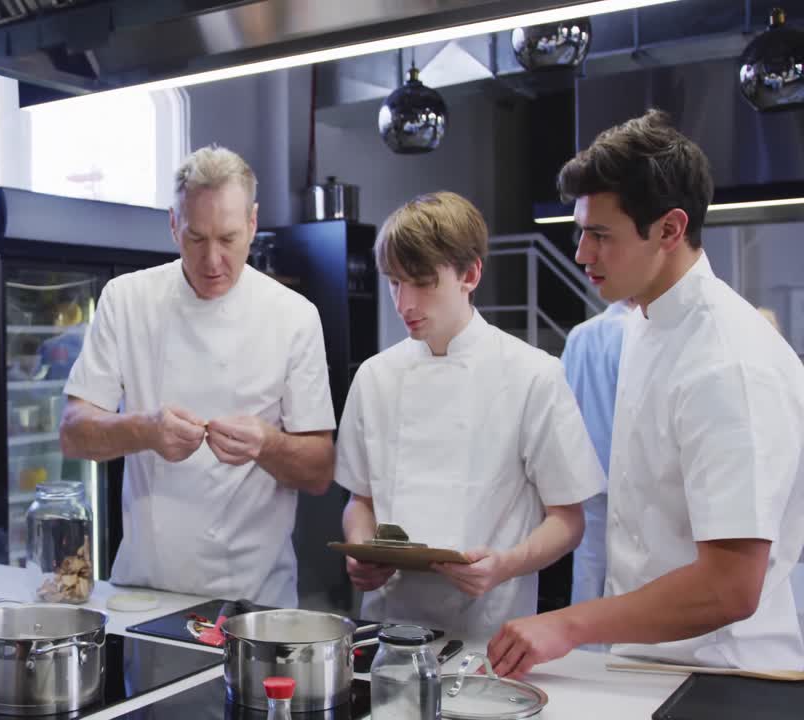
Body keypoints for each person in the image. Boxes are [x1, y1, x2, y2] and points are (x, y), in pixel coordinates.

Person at [488, 110, 804, 676]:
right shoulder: (645, 321)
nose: (582, 254)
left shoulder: (728, 362)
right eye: (580, 231)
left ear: (670, 229)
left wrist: (569, 622)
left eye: (601, 236)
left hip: (724, 675)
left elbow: (730, 587)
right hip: (650, 663)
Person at [59, 145, 335, 607]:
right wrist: (145, 429)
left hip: (255, 601)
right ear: (173, 224)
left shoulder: (295, 317)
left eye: (227, 239)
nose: (212, 262)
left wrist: (267, 444)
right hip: (145, 593)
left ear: (252, 223)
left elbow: (320, 469)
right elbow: (73, 435)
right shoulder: (126, 300)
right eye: (196, 238)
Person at [335, 191, 603, 641]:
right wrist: (362, 551)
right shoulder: (374, 377)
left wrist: (503, 567)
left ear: (470, 274)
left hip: (489, 629)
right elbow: (360, 501)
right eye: (395, 283)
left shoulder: (533, 374)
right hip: (388, 627)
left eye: (423, 283)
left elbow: (568, 520)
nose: (405, 304)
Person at [561, 299, 637, 608]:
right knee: (629, 573)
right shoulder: (636, 333)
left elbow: (563, 403)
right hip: (627, 477)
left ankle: (583, 650)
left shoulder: (580, 334)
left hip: (587, 473)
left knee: (588, 571)